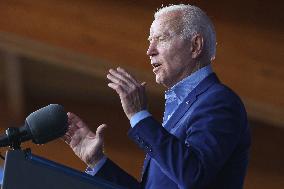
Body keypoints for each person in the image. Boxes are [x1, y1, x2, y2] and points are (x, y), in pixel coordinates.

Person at [63, 4, 251, 189]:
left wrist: (139, 116)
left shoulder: (218, 101)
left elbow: (194, 175)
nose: (150, 50)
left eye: (161, 38)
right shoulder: (180, 106)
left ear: (195, 46)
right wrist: (97, 161)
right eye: (150, 40)